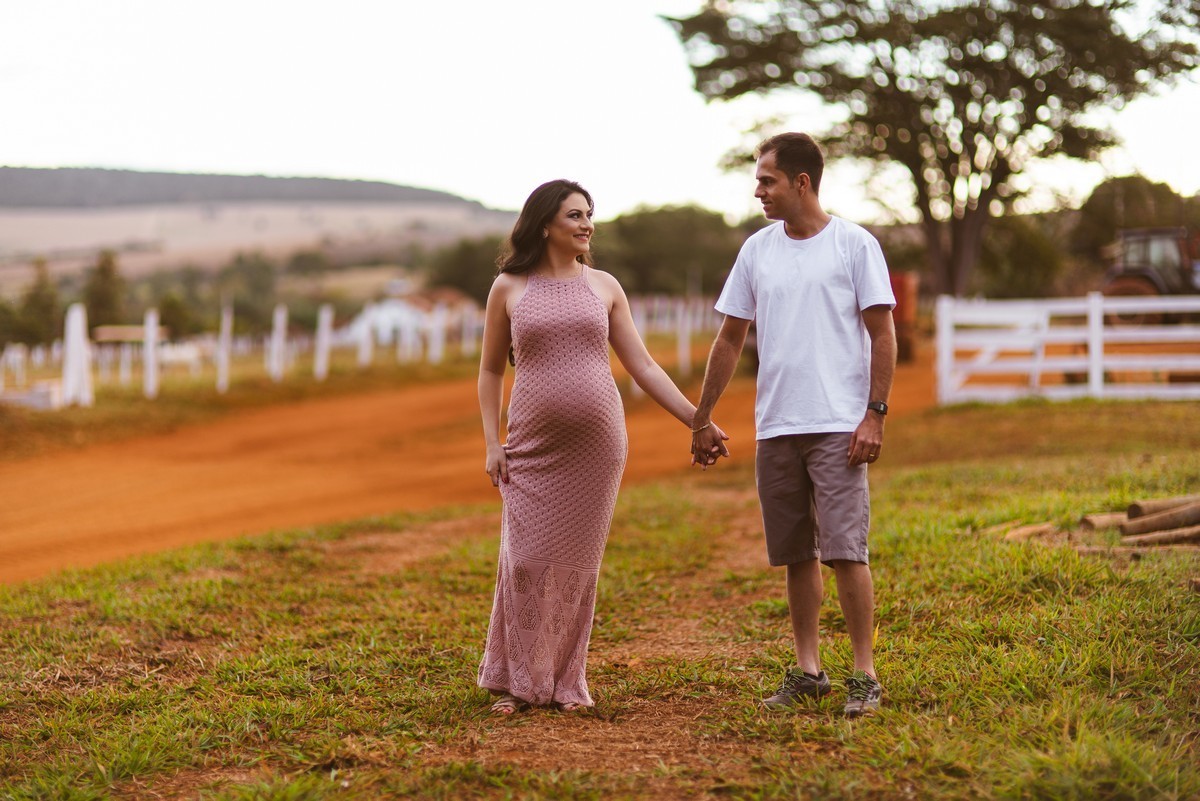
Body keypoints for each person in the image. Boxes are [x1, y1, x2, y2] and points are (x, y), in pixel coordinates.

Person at [477, 179, 727, 715]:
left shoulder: (605, 286)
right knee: (523, 560)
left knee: (575, 565)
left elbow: (643, 365)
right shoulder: (509, 287)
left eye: (589, 214)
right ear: (546, 224)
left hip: (597, 449)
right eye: (574, 215)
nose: (587, 224)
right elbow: (491, 369)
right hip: (530, 447)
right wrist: (493, 441)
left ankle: (567, 682)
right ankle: (520, 682)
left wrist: (696, 418)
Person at [690, 133, 897, 718]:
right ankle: (809, 670)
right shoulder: (757, 251)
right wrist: (701, 415)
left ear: (801, 182)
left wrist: (874, 414)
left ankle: (864, 674)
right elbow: (730, 338)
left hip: (838, 424)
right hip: (776, 425)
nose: (758, 191)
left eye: (767, 180)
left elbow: (882, 333)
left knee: (845, 550)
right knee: (794, 554)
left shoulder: (855, 245)